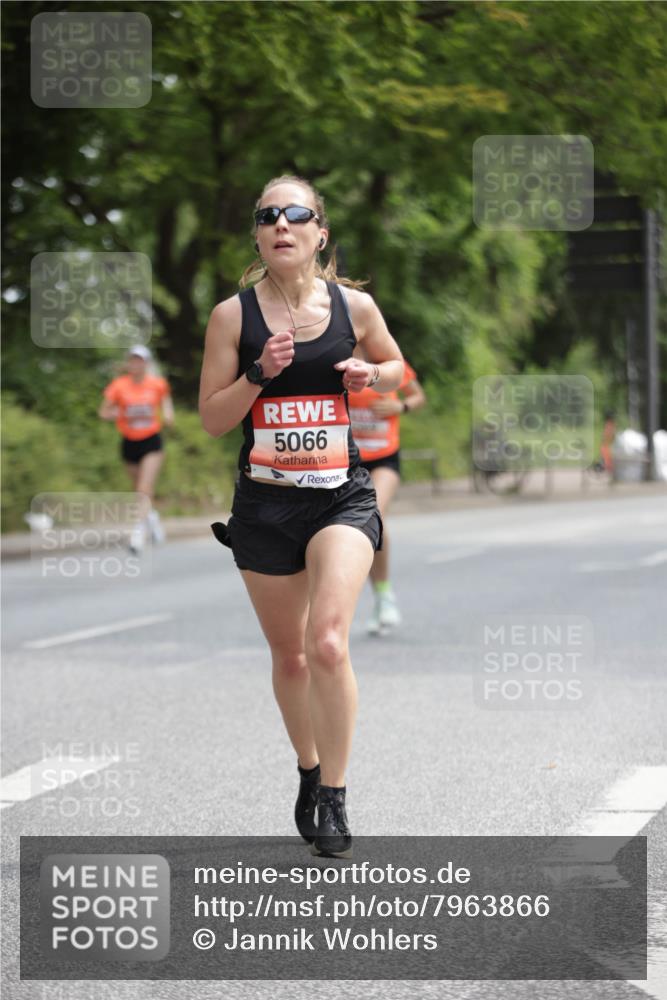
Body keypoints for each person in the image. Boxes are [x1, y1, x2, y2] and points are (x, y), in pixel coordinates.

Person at [199, 175, 404, 859]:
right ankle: (309, 770)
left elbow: (396, 367)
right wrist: (258, 373)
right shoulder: (232, 318)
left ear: (320, 232)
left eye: (295, 214)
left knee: (327, 644)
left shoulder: (354, 307)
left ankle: (335, 795)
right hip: (264, 504)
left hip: (340, 495)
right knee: (289, 656)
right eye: (268, 216)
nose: (280, 224)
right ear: (258, 236)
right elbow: (211, 419)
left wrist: (370, 376)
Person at [347, 356, 426, 633]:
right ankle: (371, 596)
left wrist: (399, 406)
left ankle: (384, 596)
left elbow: (418, 396)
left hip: (384, 457)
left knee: (372, 513)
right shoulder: (337, 355)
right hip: (346, 460)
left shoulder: (388, 360)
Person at [98, 345, 174, 553]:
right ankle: (152, 518)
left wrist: (168, 416)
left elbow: (167, 406)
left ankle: (137, 534)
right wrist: (116, 414)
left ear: (146, 363)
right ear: (128, 363)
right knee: (140, 491)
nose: (136, 364)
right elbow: (103, 412)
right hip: (129, 442)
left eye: (140, 360)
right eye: (132, 360)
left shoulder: (157, 384)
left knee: (143, 489)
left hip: (151, 441)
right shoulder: (119, 385)